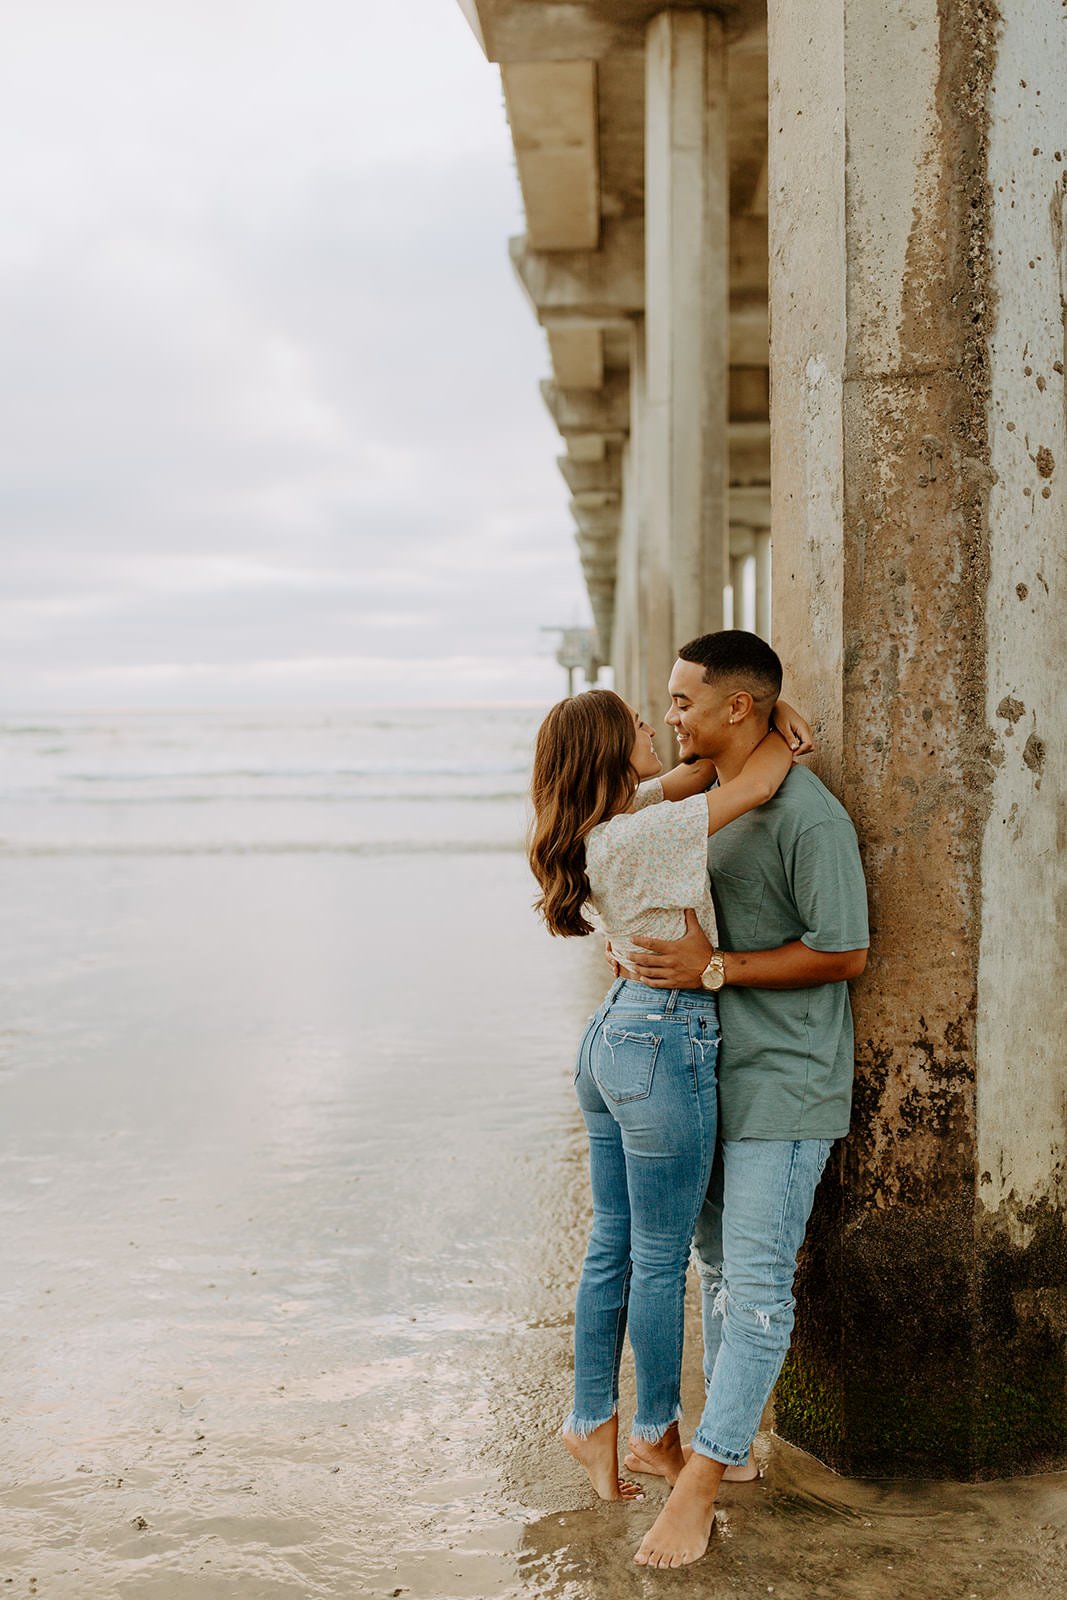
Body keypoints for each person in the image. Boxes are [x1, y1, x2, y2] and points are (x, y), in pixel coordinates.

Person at [615, 630, 869, 1570]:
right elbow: (612, 827)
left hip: (786, 1080)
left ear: (738, 706)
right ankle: (734, 1447)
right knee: (714, 1268)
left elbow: (845, 952)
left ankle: (702, 1483)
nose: (668, 713)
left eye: (684, 700)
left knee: (757, 1289)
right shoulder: (702, 803)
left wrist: (714, 968)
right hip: (702, 1072)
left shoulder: (812, 819)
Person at [527, 686, 812, 1509]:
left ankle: (591, 1419)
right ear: (610, 754)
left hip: (611, 1037)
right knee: (659, 1257)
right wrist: (772, 721)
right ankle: (653, 1432)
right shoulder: (642, 831)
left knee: (610, 1243)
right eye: (637, 725)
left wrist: (770, 707)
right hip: (662, 1038)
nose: (657, 726)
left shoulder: (610, 825)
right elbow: (753, 786)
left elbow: (693, 775)